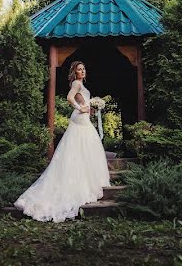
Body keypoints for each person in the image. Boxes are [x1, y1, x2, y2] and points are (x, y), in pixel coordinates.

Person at [13, 60, 112, 222]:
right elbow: (69, 98)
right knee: (81, 147)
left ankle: (87, 180)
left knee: (84, 149)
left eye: (84, 69)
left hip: (83, 118)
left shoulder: (81, 84)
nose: (82, 71)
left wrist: (90, 108)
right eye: (80, 69)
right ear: (75, 72)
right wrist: (81, 108)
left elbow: (81, 100)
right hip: (80, 119)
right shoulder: (76, 83)